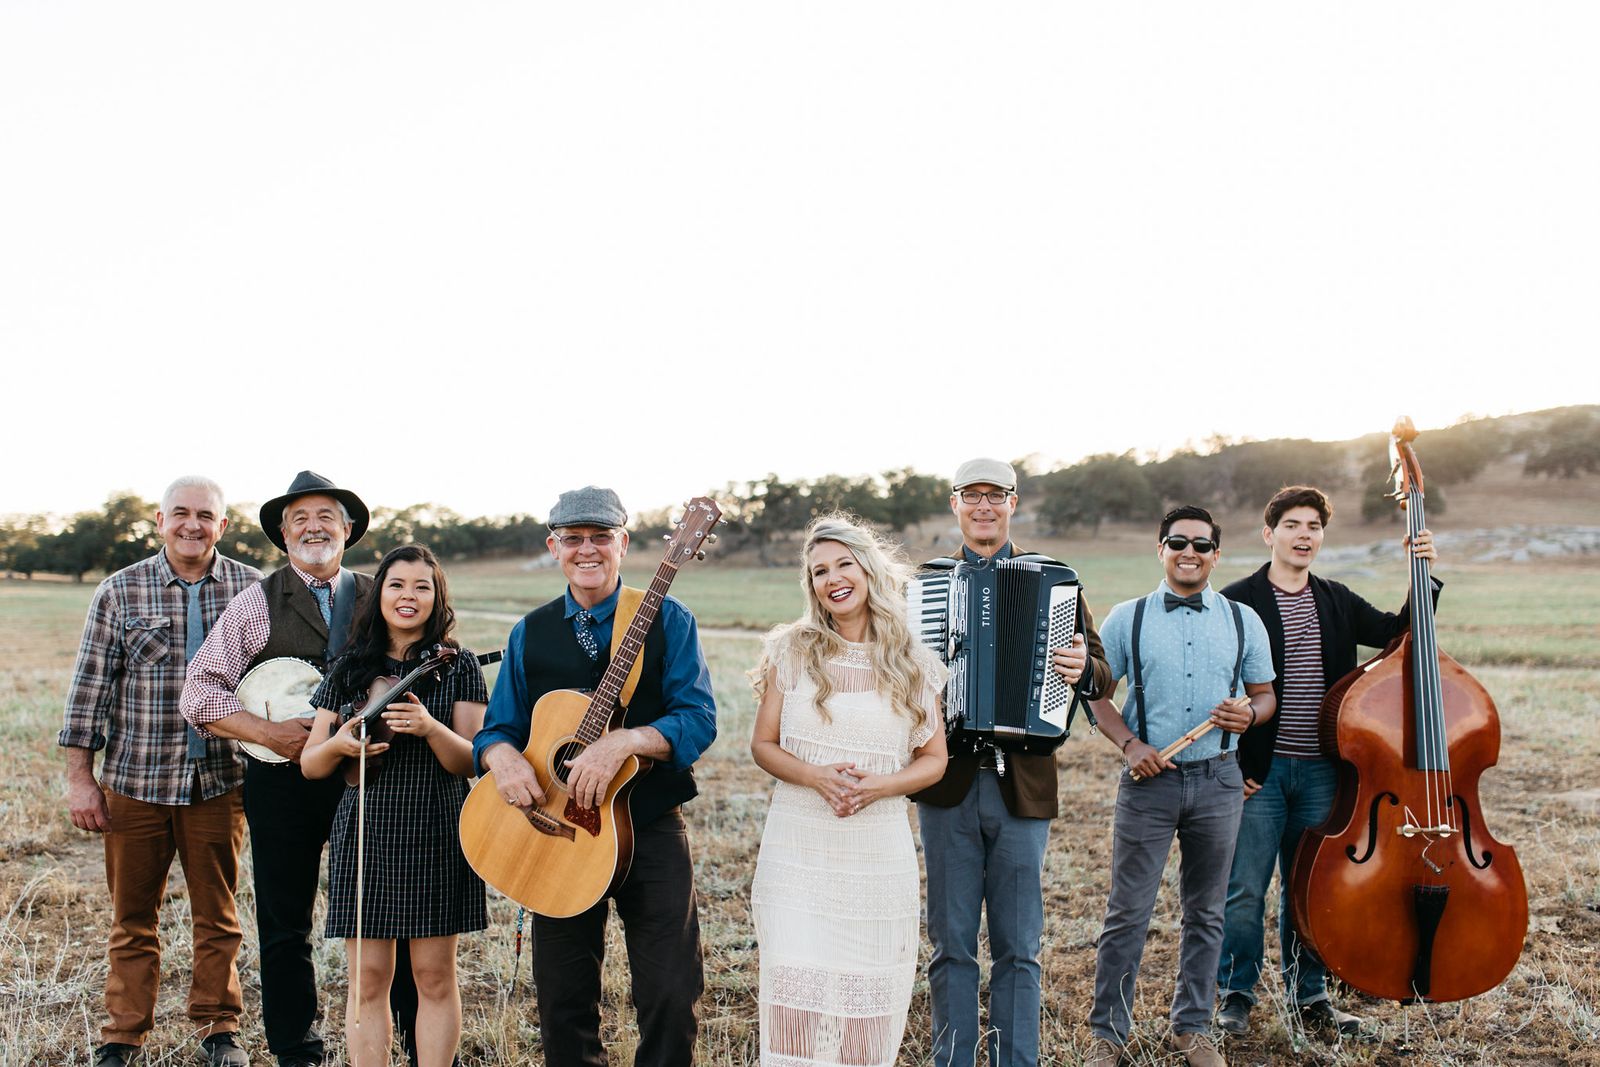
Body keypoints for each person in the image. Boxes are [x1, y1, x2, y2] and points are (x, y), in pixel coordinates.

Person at [181, 471, 426, 1067]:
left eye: (326, 517)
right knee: (285, 922)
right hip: (283, 783)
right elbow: (199, 692)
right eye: (300, 520)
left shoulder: (380, 593)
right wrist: (270, 734)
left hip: (374, 778)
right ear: (284, 535)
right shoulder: (255, 602)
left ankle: (413, 1043)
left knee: (389, 915)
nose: (313, 528)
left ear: (347, 529)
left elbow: (423, 667)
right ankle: (297, 1052)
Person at [473, 486, 717, 1067]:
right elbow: (497, 729)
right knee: (562, 998)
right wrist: (502, 759)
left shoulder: (668, 619)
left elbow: (698, 717)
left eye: (601, 537)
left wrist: (628, 741)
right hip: (556, 831)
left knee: (670, 990)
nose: (588, 549)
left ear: (623, 543)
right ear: (553, 547)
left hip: (647, 824)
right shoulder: (529, 632)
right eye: (574, 538)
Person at [1213, 486, 1439, 1039]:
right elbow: (1216, 686)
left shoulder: (1335, 598)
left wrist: (1423, 575)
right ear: (1269, 534)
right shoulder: (1237, 600)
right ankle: (1235, 994)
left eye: (1313, 526)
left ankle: (1309, 995)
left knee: (1310, 888)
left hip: (1324, 773)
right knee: (1244, 890)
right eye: (1292, 525)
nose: (1304, 535)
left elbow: (1398, 635)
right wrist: (1231, 762)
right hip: (1258, 772)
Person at [911, 458, 1113, 1067]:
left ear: (1012, 503)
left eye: (995, 495)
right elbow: (898, 673)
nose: (984, 506)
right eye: (971, 495)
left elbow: (1102, 675)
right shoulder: (925, 585)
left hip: (1023, 785)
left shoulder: (1055, 580)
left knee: (1019, 945)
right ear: (955, 504)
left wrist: (1082, 668)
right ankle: (953, 1060)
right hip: (946, 780)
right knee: (951, 943)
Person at [60, 476, 262, 1067]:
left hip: (219, 782)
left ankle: (219, 1029)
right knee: (131, 918)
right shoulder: (119, 591)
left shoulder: (254, 591)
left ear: (223, 525)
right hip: (136, 783)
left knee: (218, 916)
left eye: (205, 515)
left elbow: (278, 683)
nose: (192, 524)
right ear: (159, 521)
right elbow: (88, 692)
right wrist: (81, 779)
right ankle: (122, 1035)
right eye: (180, 513)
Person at [748, 515, 950, 1066]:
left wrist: (882, 786)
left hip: (876, 856)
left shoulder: (914, 663)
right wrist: (814, 776)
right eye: (819, 571)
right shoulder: (791, 651)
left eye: (844, 564)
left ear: (868, 570)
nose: (833, 579)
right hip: (797, 853)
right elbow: (763, 745)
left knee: (866, 1005)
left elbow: (934, 760)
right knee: (796, 1002)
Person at [1082, 505, 1276, 1067]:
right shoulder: (1127, 618)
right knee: (1127, 912)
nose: (1189, 552)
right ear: (1160, 550)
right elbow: (1095, 695)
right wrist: (1129, 745)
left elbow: (1265, 695)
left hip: (1219, 779)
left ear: (1217, 554)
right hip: (1149, 784)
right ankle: (1108, 1034)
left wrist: (1250, 715)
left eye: (1201, 544)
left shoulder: (1242, 619)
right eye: (1178, 542)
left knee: (1207, 912)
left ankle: (1192, 1027)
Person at [300, 545, 488, 1067]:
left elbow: (471, 760)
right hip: (367, 828)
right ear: (379, 593)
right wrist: (339, 746)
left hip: (436, 824)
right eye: (397, 585)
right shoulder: (348, 668)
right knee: (367, 978)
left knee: (434, 976)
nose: (409, 596)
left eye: (422, 587)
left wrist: (430, 728)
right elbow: (311, 763)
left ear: (437, 597)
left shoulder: (458, 665)